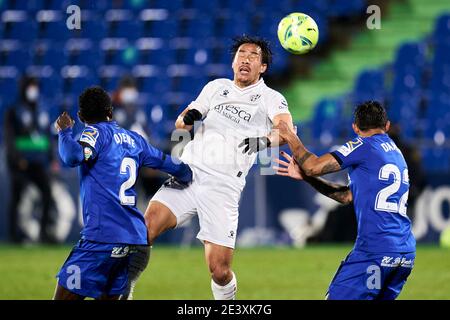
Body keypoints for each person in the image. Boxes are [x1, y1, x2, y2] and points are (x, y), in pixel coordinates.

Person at [143, 35, 294, 300]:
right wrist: (186, 118)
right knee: (144, 231)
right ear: (233, 61)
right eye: (241, 54)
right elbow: (183, 124)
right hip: (188, 175)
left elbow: (285, 131)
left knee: (219, 270)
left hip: (223, 186)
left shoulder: (271, 98)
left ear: (263, 68)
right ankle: (123, 293)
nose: (245, 59)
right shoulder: (216, 87)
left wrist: (264, 140)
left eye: (253, 56)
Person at [53, 86, 192, 300]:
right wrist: (187, 174)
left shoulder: (94, 132)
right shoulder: (134, 140)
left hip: (101, 240)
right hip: (133, 242)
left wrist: (64, 132)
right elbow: (171, 165)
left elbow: (72, 156)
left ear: (81, 117)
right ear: (111, 111)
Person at [273, 101, 416, 300]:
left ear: (355, 127)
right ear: (387, 126)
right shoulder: (396, 153)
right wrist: (307, 178)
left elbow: (313, 165)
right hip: (404, 253)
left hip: (374, 251)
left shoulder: (364, 145)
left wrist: (290, 136)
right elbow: (348, 196)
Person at [4, 76, 56, 243]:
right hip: (20, 163)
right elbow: (9, 138)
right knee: (17, 198)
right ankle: (13, 235)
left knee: (47, 194)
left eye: (35, 86)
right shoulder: (14, 110)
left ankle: (43, 233)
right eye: (30, 86)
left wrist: (51, 158)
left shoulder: (42, 110)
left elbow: (47, 136)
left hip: (37, 162)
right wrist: (17, 158)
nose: (33, 90)